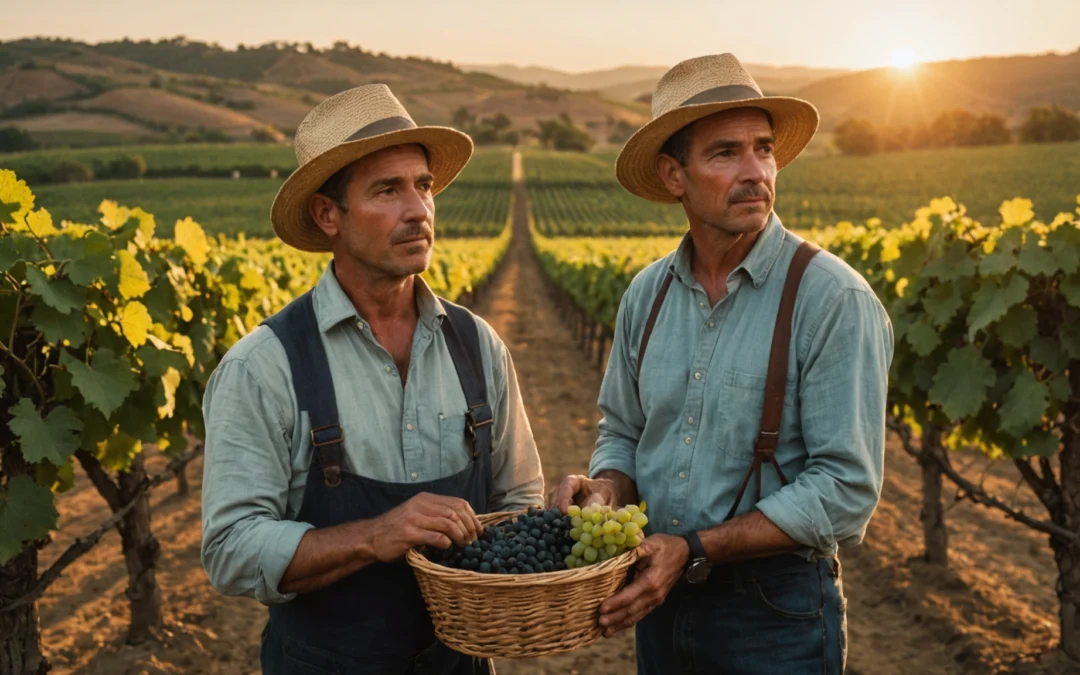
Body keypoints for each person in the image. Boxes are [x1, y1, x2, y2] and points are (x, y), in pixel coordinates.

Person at [555, 53, 894, 674]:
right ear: (673, 175)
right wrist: (607, 488)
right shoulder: (645, 295)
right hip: (658, 599)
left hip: (774, 613)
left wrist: (693, 548)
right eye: (724, 153)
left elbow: (846, 489)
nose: (755, 172)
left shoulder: (831, 299)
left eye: (763, 150)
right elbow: (624, 432)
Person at [200, 84, 544, 675]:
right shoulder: (263, 366)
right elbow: (231, 549)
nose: (418, 210)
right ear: (327, 214)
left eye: (424, 185)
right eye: (388, 190)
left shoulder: (477, 345)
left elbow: (518, 500)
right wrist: (374, 535)